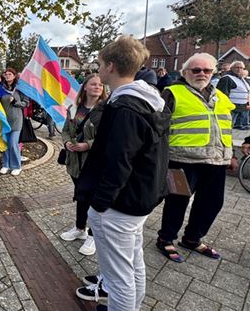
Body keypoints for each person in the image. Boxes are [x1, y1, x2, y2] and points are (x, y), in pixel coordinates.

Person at [76, 36, 170, 311]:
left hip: (120, 204)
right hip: (138, 198)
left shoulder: (125, 107)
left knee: (118, 277)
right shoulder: (148, 99)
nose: (99, 68)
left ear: (112, 66)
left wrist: (101, 204)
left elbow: (119, 162)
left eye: (101, 63)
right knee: (132, 263)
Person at [156, 53, 235, 263]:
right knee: (177, 201)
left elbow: (225, 126)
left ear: (213, 72)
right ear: (185, 73)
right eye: (196, 70)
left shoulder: (221, 96)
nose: (202, 74)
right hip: (181, 160)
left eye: (207, 70)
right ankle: (165, 239)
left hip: (216, 161)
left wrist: (232, 154)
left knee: (212, 202)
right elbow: (158, 127)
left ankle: (192, 238)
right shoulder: (171, 93)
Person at [60, 74, 107, 257]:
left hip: (94, 163)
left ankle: (94, 236)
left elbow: (108, 137)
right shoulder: (74, 109)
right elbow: (65, 131)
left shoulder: (106, 111)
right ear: (85, 87)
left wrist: (88, 145)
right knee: (81, 196)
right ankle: (80, 228)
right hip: (75, 162)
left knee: (93, 199)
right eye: (93, 84)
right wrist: (66, 143)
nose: (98, 87)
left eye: (101, 84)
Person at [0, 67, 29, 176]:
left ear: (14, 76)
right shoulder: (1, 89)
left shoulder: (20, 89)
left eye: (10, 74)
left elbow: (26, 103)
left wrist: (16, 102)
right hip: (5, 120)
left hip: (16, 120)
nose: (7, 76)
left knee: (13, 143)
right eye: (6, 74)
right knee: (5, 142)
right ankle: (6, 165)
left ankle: (16, 166)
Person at [217, 61, 250, 130]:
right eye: (237, 67)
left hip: (243, 107)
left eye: (241, 68)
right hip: (232, 107)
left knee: (239, 129)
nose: (239, 69)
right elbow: (223, 93)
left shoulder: (242, 79)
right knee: (227, 126)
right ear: (231, 68)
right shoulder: (227, 78)